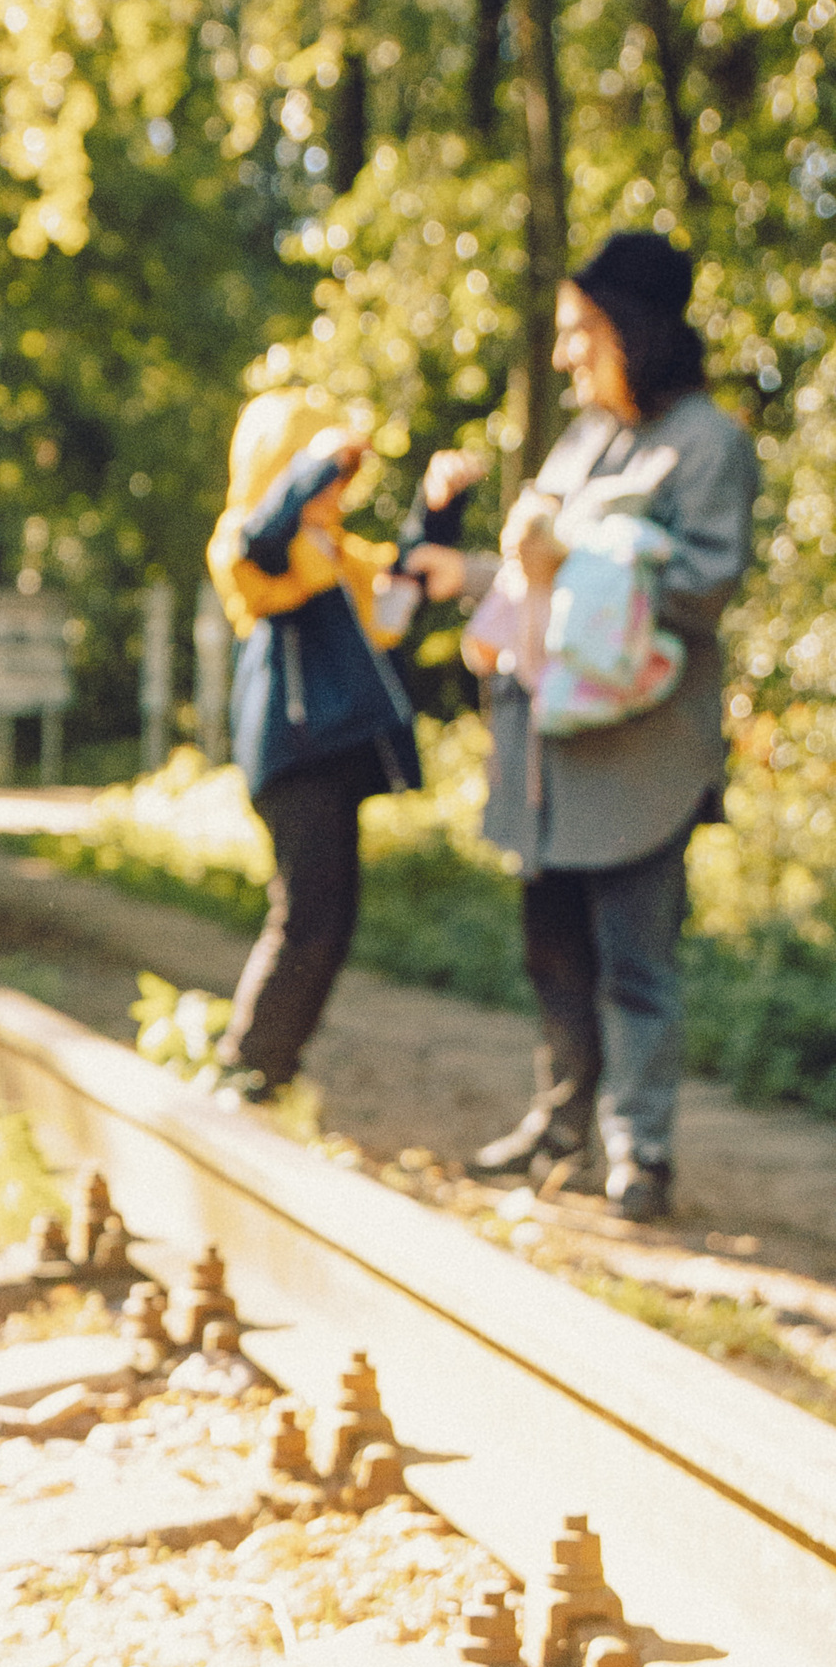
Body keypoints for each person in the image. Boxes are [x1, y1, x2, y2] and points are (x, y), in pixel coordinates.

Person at [465, 234, 759, 1221]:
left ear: (633, 328)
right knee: (551, 952)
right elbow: (532, 574)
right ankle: (560, 1131)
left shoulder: (709, 443)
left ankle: (642, 1156)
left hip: (642, 758)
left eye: (578, 332)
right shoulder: (584, 437)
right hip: (548, 751)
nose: (563, 356)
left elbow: (700, 587)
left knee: (636, 963)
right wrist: (483, 588)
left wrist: (573, 552)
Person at [204, 396, 468, 1096]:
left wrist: (436, 511)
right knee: (307, 910)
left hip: (332, 757)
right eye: (321, 475)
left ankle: (271, 1065)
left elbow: (395, 600)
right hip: (291, 754)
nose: (332, 490)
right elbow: (258, 545)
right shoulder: (252, 539)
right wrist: (311, 463)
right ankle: (250, 1060)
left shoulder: (338, 552)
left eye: (338, 476)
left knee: (331, 914)